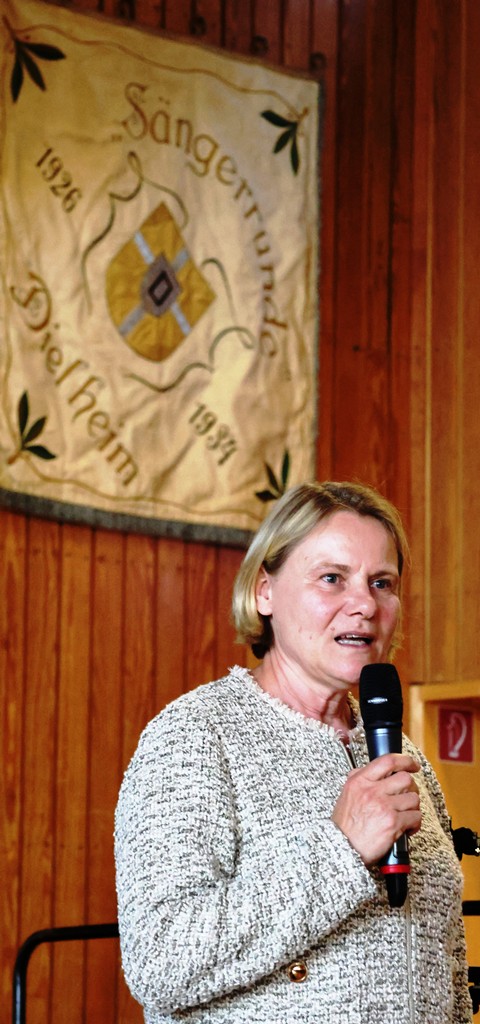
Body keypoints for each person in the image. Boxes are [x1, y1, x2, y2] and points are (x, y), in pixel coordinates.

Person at [114, 480, 472, 1024]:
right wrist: (341, 850)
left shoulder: (402, 753)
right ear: (264, 592)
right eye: (332, 578)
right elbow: (160, 962)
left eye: (382, 583)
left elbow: (446, 964)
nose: (365, 605)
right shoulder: (195, 735)